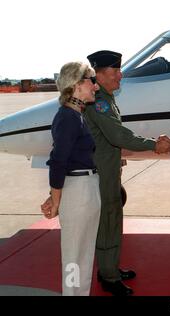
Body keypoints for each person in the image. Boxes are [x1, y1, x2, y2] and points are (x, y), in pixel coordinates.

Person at [84, 50, 170, 296]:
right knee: (108, 222)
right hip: (102, 172)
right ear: (99, 74)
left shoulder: (106, 97)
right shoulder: (99, 101)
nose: (120, 76)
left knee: (113, 220)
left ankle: (110, 266)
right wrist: (154, 144)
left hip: (108, 168)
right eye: (115, 72)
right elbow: (118, 135)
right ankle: (108, 276)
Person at [40, 61, 100, 296]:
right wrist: (55, 201)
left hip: (85, 188)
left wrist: (54, 195)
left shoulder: (76, 116)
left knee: (84, 255)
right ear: (76, 85)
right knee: (75, 257)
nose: (95, 87)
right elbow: (58, 161)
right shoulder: (67, 118)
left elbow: (67, 160)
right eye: (91, 81)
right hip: (78, 193)